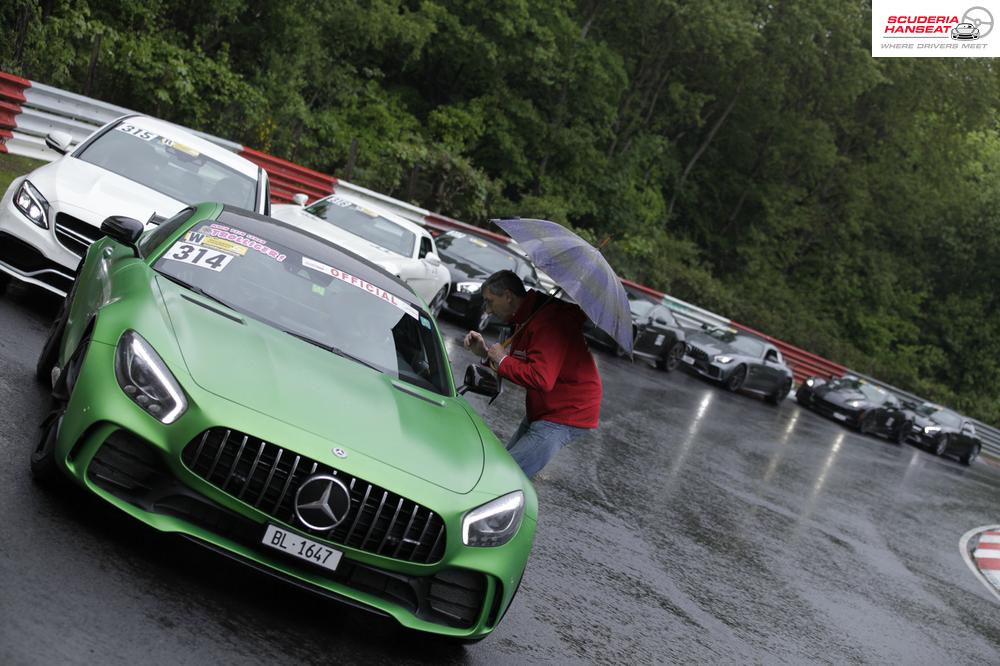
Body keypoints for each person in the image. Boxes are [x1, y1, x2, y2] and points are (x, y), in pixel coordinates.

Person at [463, 270, 602, 478]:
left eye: (490, 302)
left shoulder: (548, 324)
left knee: (503, 477)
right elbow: (522, 366)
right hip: (543, 409)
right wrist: (486, 354)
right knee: (502, 466)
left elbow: (540, 378)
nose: (488, 310)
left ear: (508, 296)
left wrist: (502, 359)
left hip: (566, 413)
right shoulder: (529, 316)